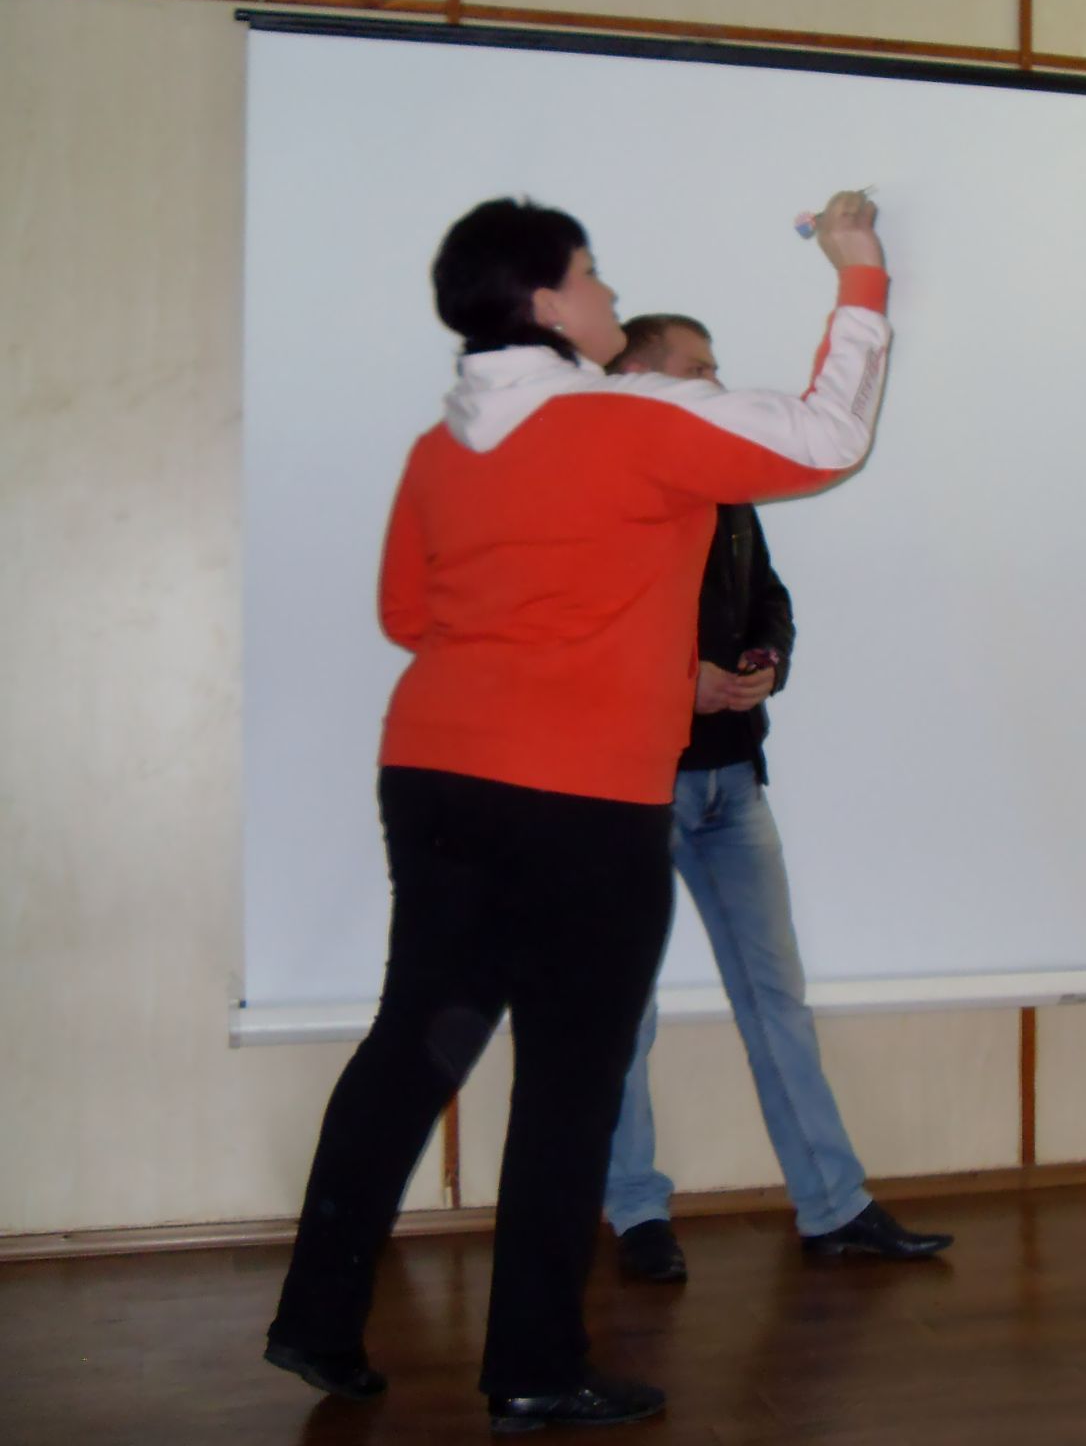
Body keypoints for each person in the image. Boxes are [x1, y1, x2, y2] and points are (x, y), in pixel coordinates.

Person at [263, 191, 891, 1434]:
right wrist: (860, 274)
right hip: (581, 797)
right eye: (592, 274)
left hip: (434, 773)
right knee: (569, 1077)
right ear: (547, 302)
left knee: (412, 1045)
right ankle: (534, 1366)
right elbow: (828, 436)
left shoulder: (438, 449)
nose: (608, 293)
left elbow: (405, 615)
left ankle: (316, 1317)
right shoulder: (630, 416)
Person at [599, 315, 952, 1284]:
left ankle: (834, 1206)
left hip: (732, 784)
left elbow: (769, 596)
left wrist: (764, 658)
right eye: (700, 366)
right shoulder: (612, 485)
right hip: (635, 784)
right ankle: (635, 1212)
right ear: (640, 374)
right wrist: (683, 683)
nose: (718, 382)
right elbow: (590, 631)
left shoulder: (726, 485)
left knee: (775, 1000)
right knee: (623, 1009)